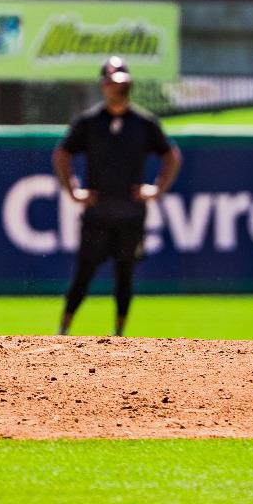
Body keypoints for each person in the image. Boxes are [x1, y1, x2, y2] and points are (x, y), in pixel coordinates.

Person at [52, 56, 182, 338]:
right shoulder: (90, 122)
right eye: (111, 83)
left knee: (125, 275)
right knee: (83, 275)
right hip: (97, 214)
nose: (116, 88)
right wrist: (72, 190)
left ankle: (120, 334)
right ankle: (63, 331)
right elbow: (62, 153)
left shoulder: (143, 122)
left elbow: (171, 154)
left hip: (130, 215)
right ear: (103, 86)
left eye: (120, 83)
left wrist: (157, 189)